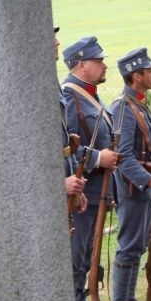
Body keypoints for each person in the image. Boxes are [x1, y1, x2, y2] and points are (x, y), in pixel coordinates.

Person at [62, 36, 118, 301]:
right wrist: (98, 158)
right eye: (98, 61)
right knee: (77, 260)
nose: (103, 65)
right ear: (82, 65)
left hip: (97, 190)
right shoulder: (70, 97)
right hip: (83, 189)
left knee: (86, 259)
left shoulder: (90, 96)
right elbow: (66, 146)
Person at [110, 47, 151, 301]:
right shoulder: (124, 107)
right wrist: (149, 180)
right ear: (136, 76)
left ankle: (129, 300)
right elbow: (123, 156)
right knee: (129, 244)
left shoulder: (139, 104)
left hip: (142, 188)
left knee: (138, 246)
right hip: (133, 188)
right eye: (149, 71)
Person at [53, 26, 87, 210]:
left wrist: (75, 181)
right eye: (51, 37)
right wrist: (58, 184)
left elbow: (67, 143)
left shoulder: (52, 80)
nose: (57, 42)